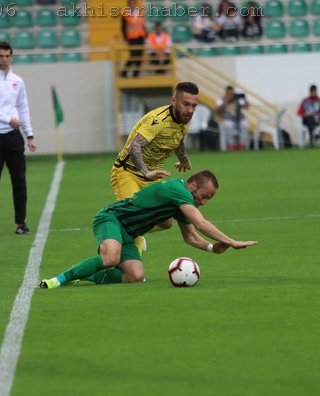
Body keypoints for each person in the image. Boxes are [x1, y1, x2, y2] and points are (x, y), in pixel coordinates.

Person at [40, 170, 258, 289]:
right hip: (111, 218)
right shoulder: (178, 190)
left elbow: (191, 237)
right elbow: (201, 223)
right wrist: (232, 241)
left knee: (135, 276)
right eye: (204, 196)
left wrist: (212, 247)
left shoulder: (181, 204)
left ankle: (88, 275)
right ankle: (59, 280)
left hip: (129, 234)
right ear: (192, 186)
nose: (205, 202)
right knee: (111, 258)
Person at [110, 81, 198, 254]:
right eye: (186, 104)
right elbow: (134, 146)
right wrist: (146, 172)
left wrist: (184, 160)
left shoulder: (184, 120)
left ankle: (131, 227)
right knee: (134, 217)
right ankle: (133, 266)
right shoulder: (157, 121)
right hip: (127, 172)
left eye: (194, 106)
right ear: (174, 101)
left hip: (151, 177)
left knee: (166, 222)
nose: (190, 110)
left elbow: (179, 141)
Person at [0, 41, 37, 236]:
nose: (4, 59)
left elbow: (23, 107)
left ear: (11, 57)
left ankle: (21, 223)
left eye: (7, 56)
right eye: (0, 56)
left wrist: (29, 134)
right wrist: (7, 119)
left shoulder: (17, 81)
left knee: (19, 181)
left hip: (13, 137)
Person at [215, 85, 250, 152]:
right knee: (229, 125)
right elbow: (217, 110)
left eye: (232, 93)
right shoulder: (221, 100)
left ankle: (241, 144)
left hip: (239, 119)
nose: (231, 95)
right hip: (228, 120)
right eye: (229, 93)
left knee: (244, 125)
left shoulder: (237, 99)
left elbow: (246, 107)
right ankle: (231, 145)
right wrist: (226, 101)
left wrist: (245, 100)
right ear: (226, 93)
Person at [121, 0, 147, 78]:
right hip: (132, 38)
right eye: (130, 3)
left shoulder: (140, 12)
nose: (132, 5)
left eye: (133, 3)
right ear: (128, 4)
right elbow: (123, 27)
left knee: (140, 55)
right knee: (133, 55)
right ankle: (124, 72)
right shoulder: (125, 13)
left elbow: (143, 25)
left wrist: (146, 36)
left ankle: (136, 74)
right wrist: (125, 39)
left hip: (140, 36)